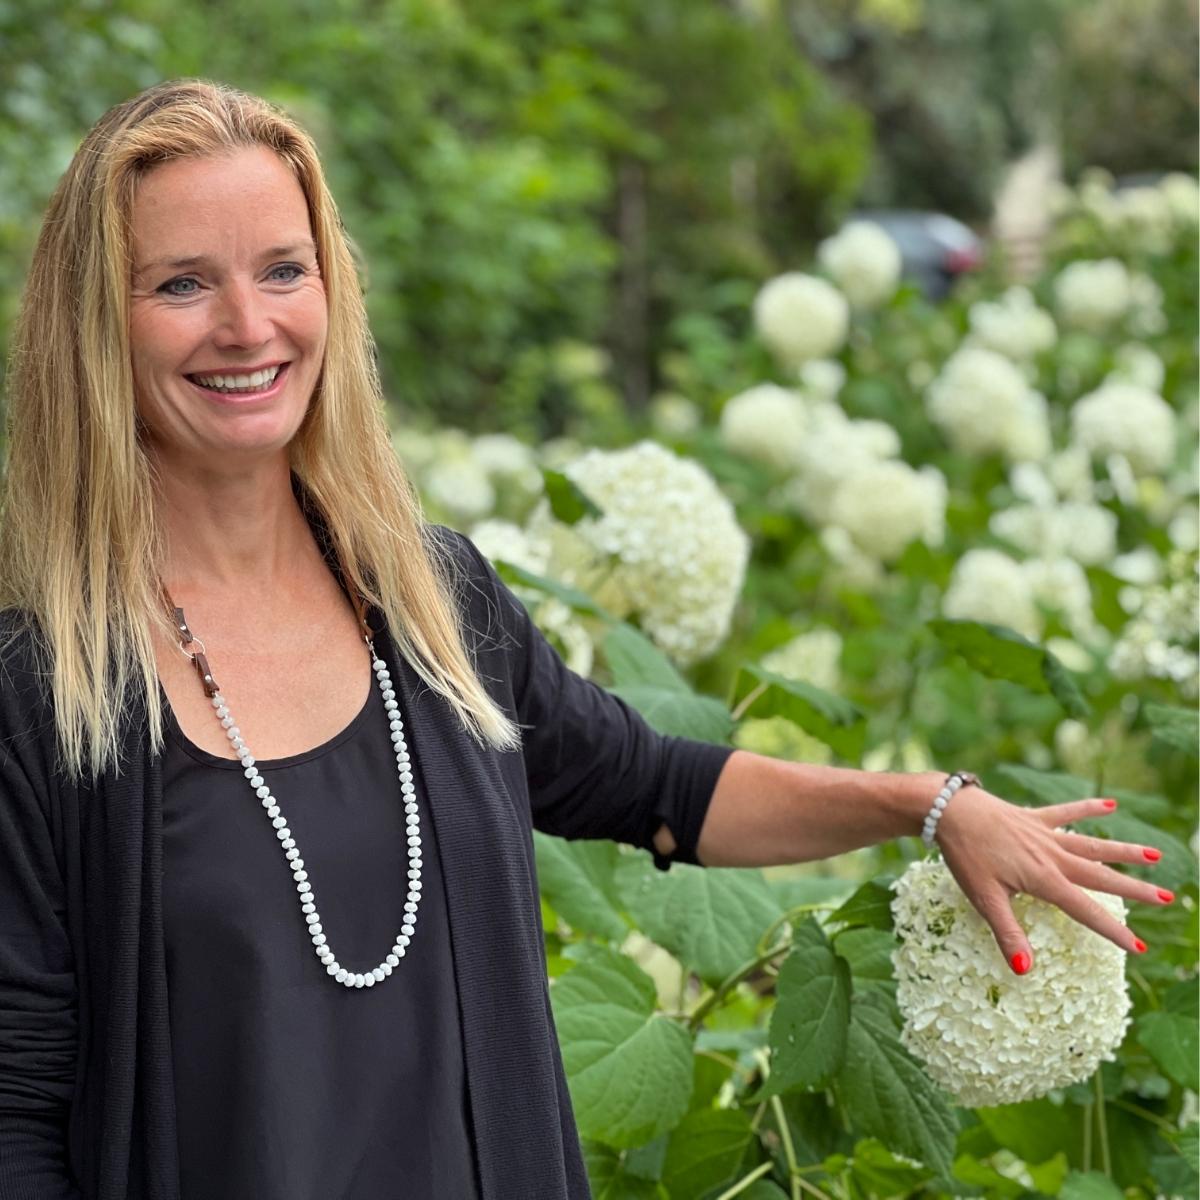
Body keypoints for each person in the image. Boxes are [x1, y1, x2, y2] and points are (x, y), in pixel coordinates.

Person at [0, 79, 1167, 1200]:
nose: (248, 325)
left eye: (282, 269)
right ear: (97, 324)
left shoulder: (433, 601)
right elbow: (16, 1112)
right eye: (181, 285)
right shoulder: (40, 692)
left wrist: (930, 804)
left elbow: (654, 783)